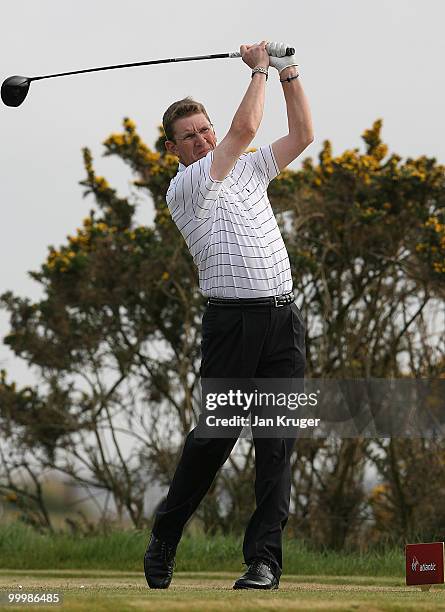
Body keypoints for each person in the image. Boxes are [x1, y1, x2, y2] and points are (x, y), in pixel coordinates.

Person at [144, 40, 313, 591]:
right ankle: (166, 535)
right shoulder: (187, 186)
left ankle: (264, 561)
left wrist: (288, 72)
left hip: (283, 321)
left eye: (204, 128)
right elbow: (243, 131)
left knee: (276, 443)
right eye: (189, 134)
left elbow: (302, 135)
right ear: (174, 148)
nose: (202, 138)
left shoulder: (249, 171)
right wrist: (258, 69)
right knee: (214, 438)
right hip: (231, 324)